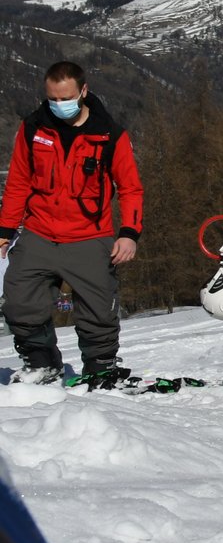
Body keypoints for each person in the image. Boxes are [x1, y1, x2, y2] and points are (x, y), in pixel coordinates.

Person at [1, 62, 143, 387]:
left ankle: (101, 368)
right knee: (19, 300)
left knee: (99, 312)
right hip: (39, 232)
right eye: (52, 98)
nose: (58, 104)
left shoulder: (110, 135)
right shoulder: (33, 129)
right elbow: (19, 182)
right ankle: (42, 365)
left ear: (83, 91)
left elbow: (131, 188)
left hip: (89, 236)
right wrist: (5, 230)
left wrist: (130, 234)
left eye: (65, 97)